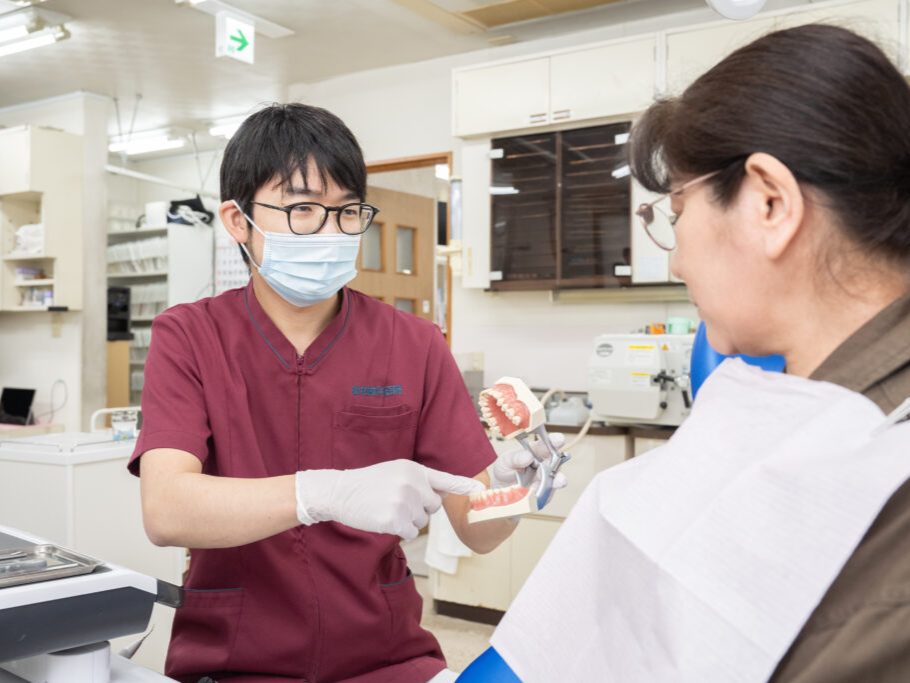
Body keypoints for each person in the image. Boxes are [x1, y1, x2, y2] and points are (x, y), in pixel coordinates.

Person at [463, 23, 910, 682]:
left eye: (676, 211)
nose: (675, 259)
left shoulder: (876, 481)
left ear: (769, 202)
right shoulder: (812, 396)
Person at [130, 103, 558, 683]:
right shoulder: (190, 336)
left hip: (385, 658)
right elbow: (167, 509)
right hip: (235, 658)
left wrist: (509, 495)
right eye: (303, 208)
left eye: (347, 211)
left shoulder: (413, 343)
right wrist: (322, 493)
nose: (331, 231)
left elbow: (476, 532)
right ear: (237, 220)